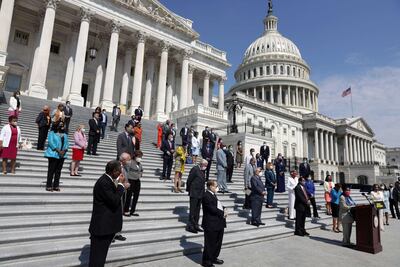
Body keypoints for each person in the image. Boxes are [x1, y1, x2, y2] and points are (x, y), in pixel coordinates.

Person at [88, 160, 129, 267]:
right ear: (114, 171)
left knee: (100, 257)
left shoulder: (108, 180)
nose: (121, 173)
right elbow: (114, 200)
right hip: (102, 228)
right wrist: (121, 185)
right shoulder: (104, 182)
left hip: (106, 228)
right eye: (120, 171)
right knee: (97, 259)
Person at [201, 180, 227, 267]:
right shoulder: (206, 196)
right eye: (215, 186)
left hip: (218, 223)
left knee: (217, 242)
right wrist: (223, 213)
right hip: (210, 224)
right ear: (210, 186)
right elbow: (212, 209)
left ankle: (214, 257)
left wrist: (224, 208)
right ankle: (207, 261)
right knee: (210, 243)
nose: (217, 188)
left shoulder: (213, 195)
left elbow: (217, 205)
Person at [44, 121, 69, 192]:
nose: (62, 126)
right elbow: (50, 142)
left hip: (62, 155)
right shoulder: (52, 133)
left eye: (63, 125)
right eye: (60, 124)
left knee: (58, 171)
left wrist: (64, 151)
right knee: (51, 170)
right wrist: (58, 150)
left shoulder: (65, 134)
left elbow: (67, 144)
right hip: (53, 154)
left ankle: (56, 185)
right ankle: (49, 185)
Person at [186, 159, 207, 234]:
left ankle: (196, 224)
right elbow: (189, 180)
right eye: (205, 165)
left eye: (206, 166)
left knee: (197, 210)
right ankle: (190, 225)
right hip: (194, 192)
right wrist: (189, 189)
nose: (205, 167)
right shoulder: (195, 169)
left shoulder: (202, 170)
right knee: (193, 209)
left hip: (200, 193)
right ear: (201, 164)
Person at [123, 150, 143, 217]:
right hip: (130, 180)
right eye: (139, 156)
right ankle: (126, 210)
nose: (140, 158)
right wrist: (126, 181)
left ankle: (132, 210)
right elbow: (126, 172)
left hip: (137, 181)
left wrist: (140, 174)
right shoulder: (130, 162)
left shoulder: (139, 164)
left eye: (141, 156)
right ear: (135, 156)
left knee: (136, 196)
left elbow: (141, 170)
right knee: (129, 196)